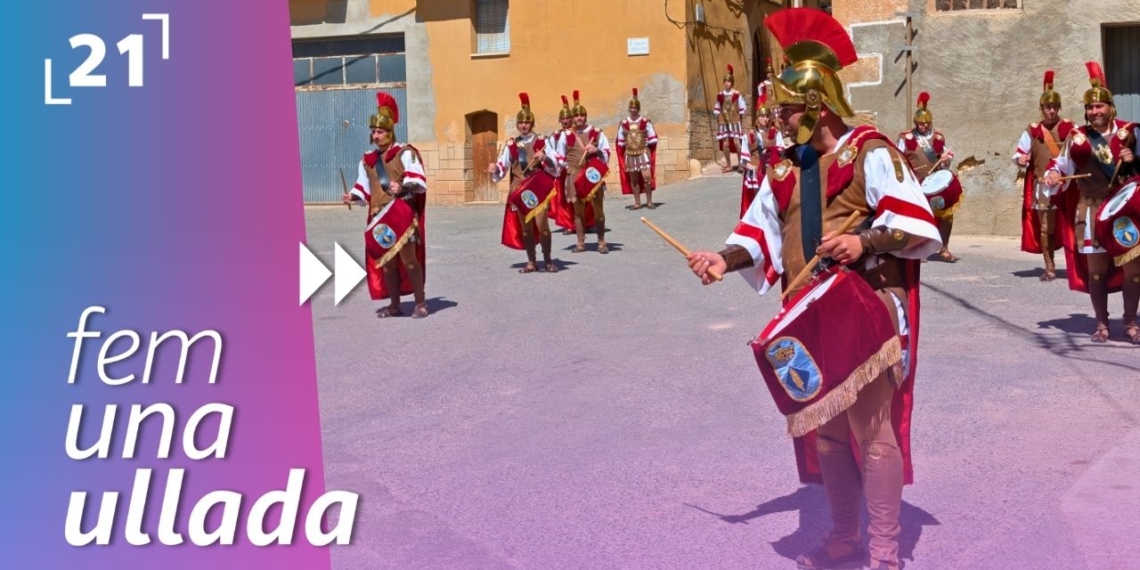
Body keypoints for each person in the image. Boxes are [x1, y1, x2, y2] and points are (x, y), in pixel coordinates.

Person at [685, 8, 942, 570]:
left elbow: (919, 222)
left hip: (865, 307)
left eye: (787, 108)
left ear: (818, 105)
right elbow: (759, 232)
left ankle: (883, 551)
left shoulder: (870, 152)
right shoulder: (784, 168)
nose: (778, 118)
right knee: (826, 436)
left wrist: (865, 242)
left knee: (872, 434)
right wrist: (720, 260)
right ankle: (845, 536)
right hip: (809, 311)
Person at [1044, 62, 1139, 343]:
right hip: (1091, 208)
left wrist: (1133, 161)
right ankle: (1101, 324)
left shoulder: (1130, 132)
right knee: (1096, 272)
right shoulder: (1078, 138)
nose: (1094, 112)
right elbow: (1060, 164)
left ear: (1110, 107)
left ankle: (1131, 322)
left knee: (1133, 270)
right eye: (1090, 108)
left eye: (1099, 106)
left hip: (1124, 211)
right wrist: (1052, 174)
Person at [343, 92, 429, 319]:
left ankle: (420, 303)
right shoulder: (367, 159)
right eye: (373, 131)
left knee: (410, 262)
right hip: (379, 218)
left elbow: (418, 182)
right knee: (388, 265)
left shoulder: (405, 153)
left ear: (390, 133)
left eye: (380, 131)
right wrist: (352, 197)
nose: (375, 135)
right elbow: (363, 187)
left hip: (401, 216)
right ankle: (394, 305)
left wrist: (403, 188)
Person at [1012, 70, 1075, 282]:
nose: (1051, 110)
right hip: (1043, 187)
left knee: (1074, 226)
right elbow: (1020, 154)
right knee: (1047, 228)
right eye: (1048, 107)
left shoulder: (1069, 128)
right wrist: (1020, 160)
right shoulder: (1032, 131)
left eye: (1055, 106)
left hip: (1066, 185)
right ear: (1041, 109)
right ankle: (1050, 266)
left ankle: (1079, 266)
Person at [491, 93, 564, 273]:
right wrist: (495, 168)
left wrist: (545, 157)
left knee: (543, 227)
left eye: (527, 122)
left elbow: (558, 164)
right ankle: (531, 261)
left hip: (537, 190)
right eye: (521, 123)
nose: (524, 125)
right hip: (519, 190)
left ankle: (547, 260)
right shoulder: (511, 144)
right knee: (526, 230)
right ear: (517, 125)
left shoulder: (542, 141)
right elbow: (503, 164)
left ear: (532, 123)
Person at [897, 92, 960, 262]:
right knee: (919, 217)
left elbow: (946, 158)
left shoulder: (938, 137)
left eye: (927, 123)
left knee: (946, 215)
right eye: (920, 123)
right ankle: (920, 250)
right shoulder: (906, 138)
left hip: (935, 182)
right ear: (915, 123)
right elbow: (898, 160)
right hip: (916, 182)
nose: (924, 126)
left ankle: (944, 248)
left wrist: (946, 159)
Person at [562, 90, 612, 254]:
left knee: (598, 210)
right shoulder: (567, 135)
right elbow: (556, 154)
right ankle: (580, 242)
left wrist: (596, 150)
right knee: (578, 212)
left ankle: (602, 242)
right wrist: (565, 166)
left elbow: (607, 151)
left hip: (592, 176)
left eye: (582, 115)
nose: (579, 118)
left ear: (585, 116)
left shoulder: (597, 133)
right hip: (575, 176)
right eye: (576, 116)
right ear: (572, 118)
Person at [739, 81, 785, 218]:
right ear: (757, 118)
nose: (764, 119)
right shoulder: (749, 136)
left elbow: (782, 151)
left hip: (770, 171)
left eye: (766, 116)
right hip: (755, 173)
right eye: (761, 116)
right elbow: (743, 159)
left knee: (771, 200)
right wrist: (750, 167)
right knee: (756, 200)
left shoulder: (775, 133)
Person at [616, 88, 659, 210]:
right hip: (630, 153)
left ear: (638, 109)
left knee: (647, 177)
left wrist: (645, 146)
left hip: (643, 152)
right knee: (633, 179)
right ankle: (638, 202)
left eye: (635, 108)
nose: (633, 110)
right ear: (629, 109)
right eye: (631, 108)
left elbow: (652, 138)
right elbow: (620, 141)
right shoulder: (624, 123)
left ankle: (649, 201)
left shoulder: (645, 121)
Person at [549, 95, 577, 234]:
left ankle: (586, 222)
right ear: (560, 120)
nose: (565, 121)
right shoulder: (555, 135)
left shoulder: (577, 133)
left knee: (581, 197)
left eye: (567, 118)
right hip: (562, 171)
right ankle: (569, 223)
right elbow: (552, 152)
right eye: (563, 119)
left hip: (576, 169)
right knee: (565, 198)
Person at [714, 64, 746, 173]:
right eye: (725, 81)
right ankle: (729, 165)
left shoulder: (737, 94)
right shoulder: (720, 95)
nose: (726, 83)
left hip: (735, 121)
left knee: (737, 143)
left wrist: (740, 117)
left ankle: (741, 164)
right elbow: (717, 108)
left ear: (732, 82)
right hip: (724, 122)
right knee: (725, 144)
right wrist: (718, 117)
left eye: (728, 81)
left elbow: (742, 107)